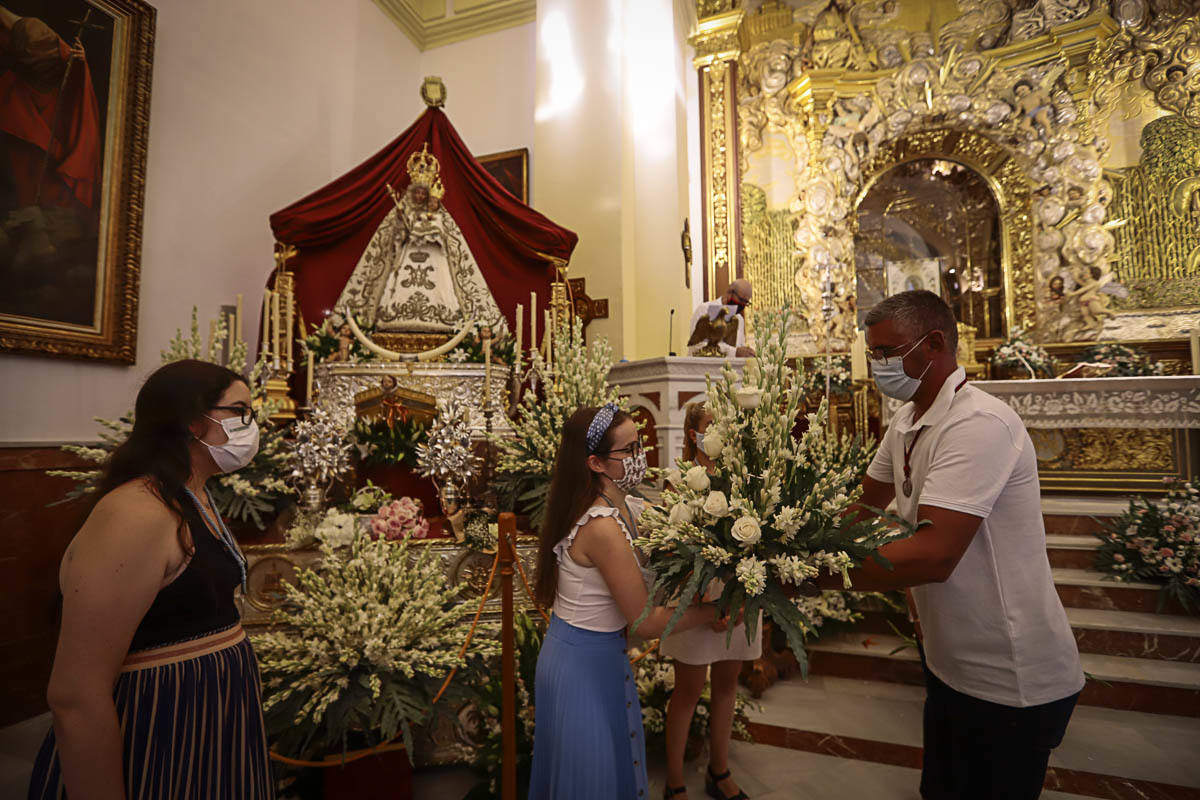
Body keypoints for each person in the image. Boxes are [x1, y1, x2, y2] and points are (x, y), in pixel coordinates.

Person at [824, 290, 1083, 800]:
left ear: (934, 343)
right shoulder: (904, 421)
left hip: (1010, 676)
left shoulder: (978, 424)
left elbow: (934, 555)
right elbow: (861, 512)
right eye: (872, 354)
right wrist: (785, 549)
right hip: (949, 662)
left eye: (886, 353)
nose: (877, 366)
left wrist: (815, 578)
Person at [28, 360, 274, 800]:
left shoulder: (192, 495)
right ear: (192, 421)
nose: (251, 427)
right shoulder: (136, 512)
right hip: (159, 725)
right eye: (240, 412)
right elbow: (75, 695)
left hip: (206, 726)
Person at [529, 404, 728, 800]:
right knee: (590, 779)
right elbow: (645, 622)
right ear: (594, 463)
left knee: (611, 770)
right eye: (629, 450)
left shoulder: (626, 505)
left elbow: (683, 534)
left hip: (602, 656)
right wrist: (714, 612)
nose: (641, 457)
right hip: (580, 665)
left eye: (640, 445)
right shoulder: (600, 525)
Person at [660, 402, 760, 800]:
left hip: (735, 594)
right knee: (687, 688)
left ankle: (719, 772)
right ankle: (674, 781)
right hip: (695, 592)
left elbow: (756, 543)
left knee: (727, 683)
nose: (715, 434)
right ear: (692, 434)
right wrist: (702, 598)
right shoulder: (677, 480)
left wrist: (735, 599)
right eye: (708, 427)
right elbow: (670, 548)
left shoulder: (741, 479)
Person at [688, 279, 756, 358]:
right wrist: (734, 352)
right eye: (741, 300)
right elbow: (697, 346)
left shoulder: (739, 319)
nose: (743, 304)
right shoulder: (704, 310)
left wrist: (746, 353)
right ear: (729, 292)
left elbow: (739, 348)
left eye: (746, 302)